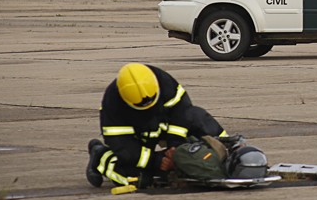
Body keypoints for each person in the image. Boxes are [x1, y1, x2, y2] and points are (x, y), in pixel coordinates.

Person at [86, 63, 229, 188]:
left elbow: (183, 111)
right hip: (138, 139)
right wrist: (157, 161)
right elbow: (124, 146)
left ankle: (228, 150)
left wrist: (175, 145)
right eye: (142, 105)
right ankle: (101, 157)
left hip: (163, 125)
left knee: (197, 116)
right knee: (138, 179)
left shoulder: (163, 81)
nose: (147, 105)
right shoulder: (112, 104)